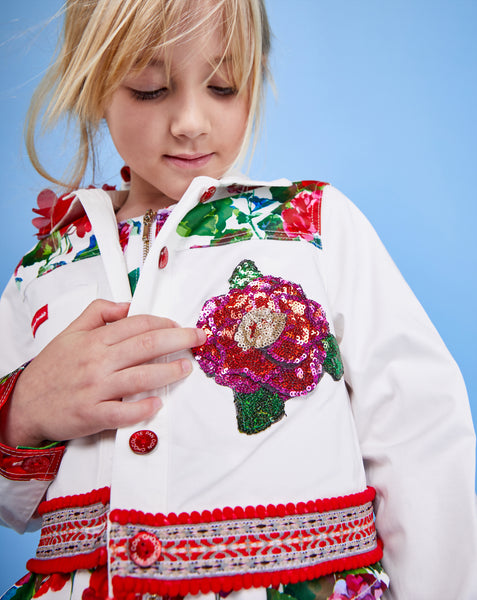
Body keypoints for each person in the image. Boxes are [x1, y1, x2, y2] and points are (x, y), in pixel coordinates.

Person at [0, 0, 476, 599]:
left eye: (223, 86)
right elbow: (13, 507)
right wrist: (22, 413)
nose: (190, 121)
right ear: (94, 86)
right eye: (151, 89)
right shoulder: (42, 271)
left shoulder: (313, 226)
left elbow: (419, 434)